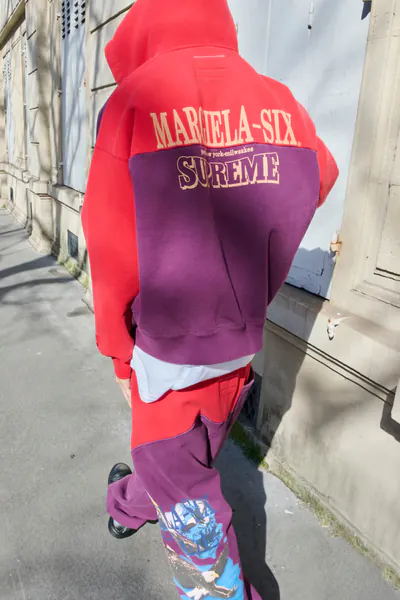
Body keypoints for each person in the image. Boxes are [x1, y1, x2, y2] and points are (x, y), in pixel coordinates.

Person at [82, 0, 339, 598]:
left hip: (166, 352)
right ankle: (130, 501)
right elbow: (320, 174)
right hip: (239, 342)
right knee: (185, 459)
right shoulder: (279, 101)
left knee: (191, 510)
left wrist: (118, 350)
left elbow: (110, 241)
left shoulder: (135, 102)